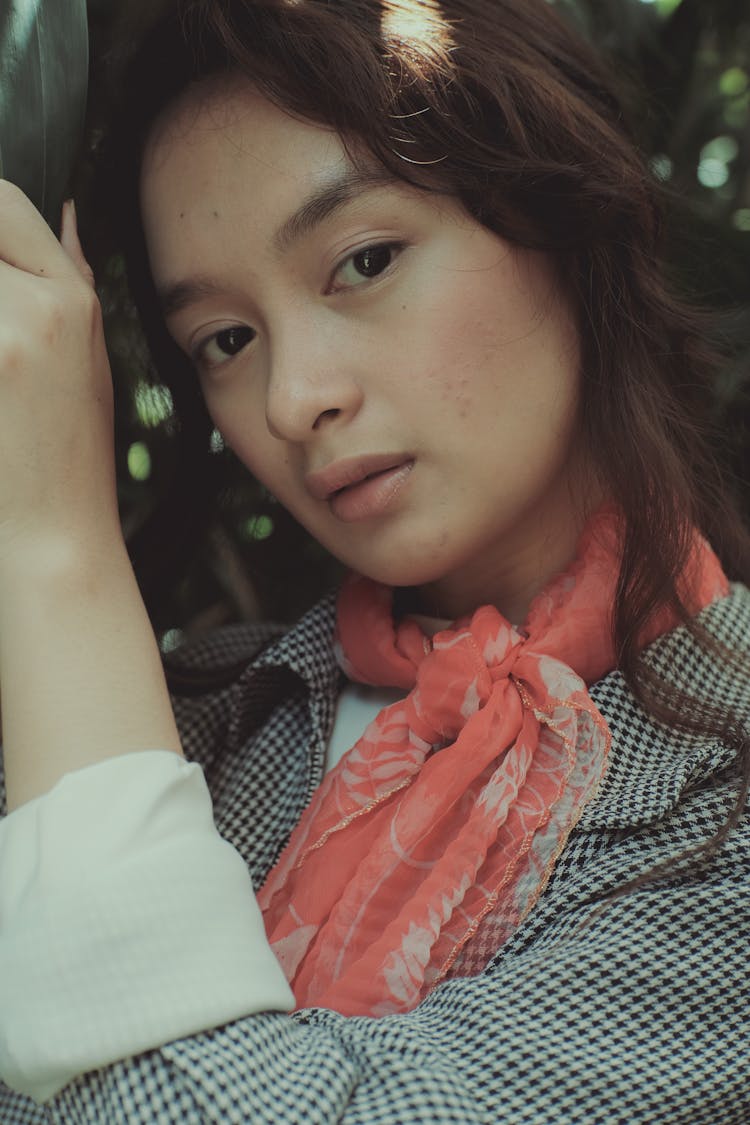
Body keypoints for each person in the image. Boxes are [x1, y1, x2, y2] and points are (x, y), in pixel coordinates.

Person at [0, 0, 749, 1120]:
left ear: (565, 217)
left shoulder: (721, 805)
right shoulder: (187, 719)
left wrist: (59, 553)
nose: (297, 398)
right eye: (226, 340)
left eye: (364, 260)